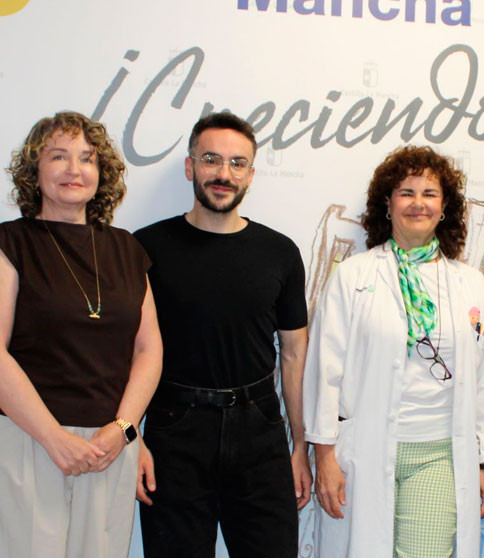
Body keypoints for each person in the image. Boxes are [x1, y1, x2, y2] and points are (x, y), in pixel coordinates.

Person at [0, 111, 162, 558]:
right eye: (59, 156)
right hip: (23, 439)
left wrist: (124, 430)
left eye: (87, 158)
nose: (74, 169)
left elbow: (149, 349)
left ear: (102, 172)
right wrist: (53, 438)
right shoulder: (7, 243)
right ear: (34, 171)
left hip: (106, 447)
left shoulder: (127, 249)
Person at [135, 112, 311, 557]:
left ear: (251, 174)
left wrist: (300, 446)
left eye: (237, 163)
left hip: (261, 432)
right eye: (212, 159)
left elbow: (293, 354)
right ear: (190, 166)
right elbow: (129, 352)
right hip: (175, 432)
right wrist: (130, 438)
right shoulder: (145, 248)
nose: (223, 174)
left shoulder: (281, 253)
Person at [304, 145, 484, 557]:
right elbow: (323, 372)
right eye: (406, 192)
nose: (417, 203)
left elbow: (481, 383)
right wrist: (324, 457)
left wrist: (480, 460)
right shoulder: (353, 277)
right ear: (387, 204)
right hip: (362, 452)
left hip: (439, 454)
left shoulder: (471, 284)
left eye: (429, 193)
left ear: (445, 208)